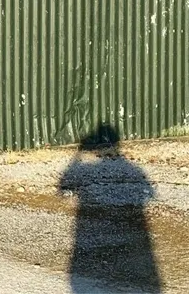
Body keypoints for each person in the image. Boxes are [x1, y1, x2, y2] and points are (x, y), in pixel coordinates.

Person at [58, 123, 162, 293]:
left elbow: (63, 187)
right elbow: (149, 192)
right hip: (132, 232)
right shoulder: (133, 169)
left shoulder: (128, 169)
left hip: (96, 228)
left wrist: (77, 157)